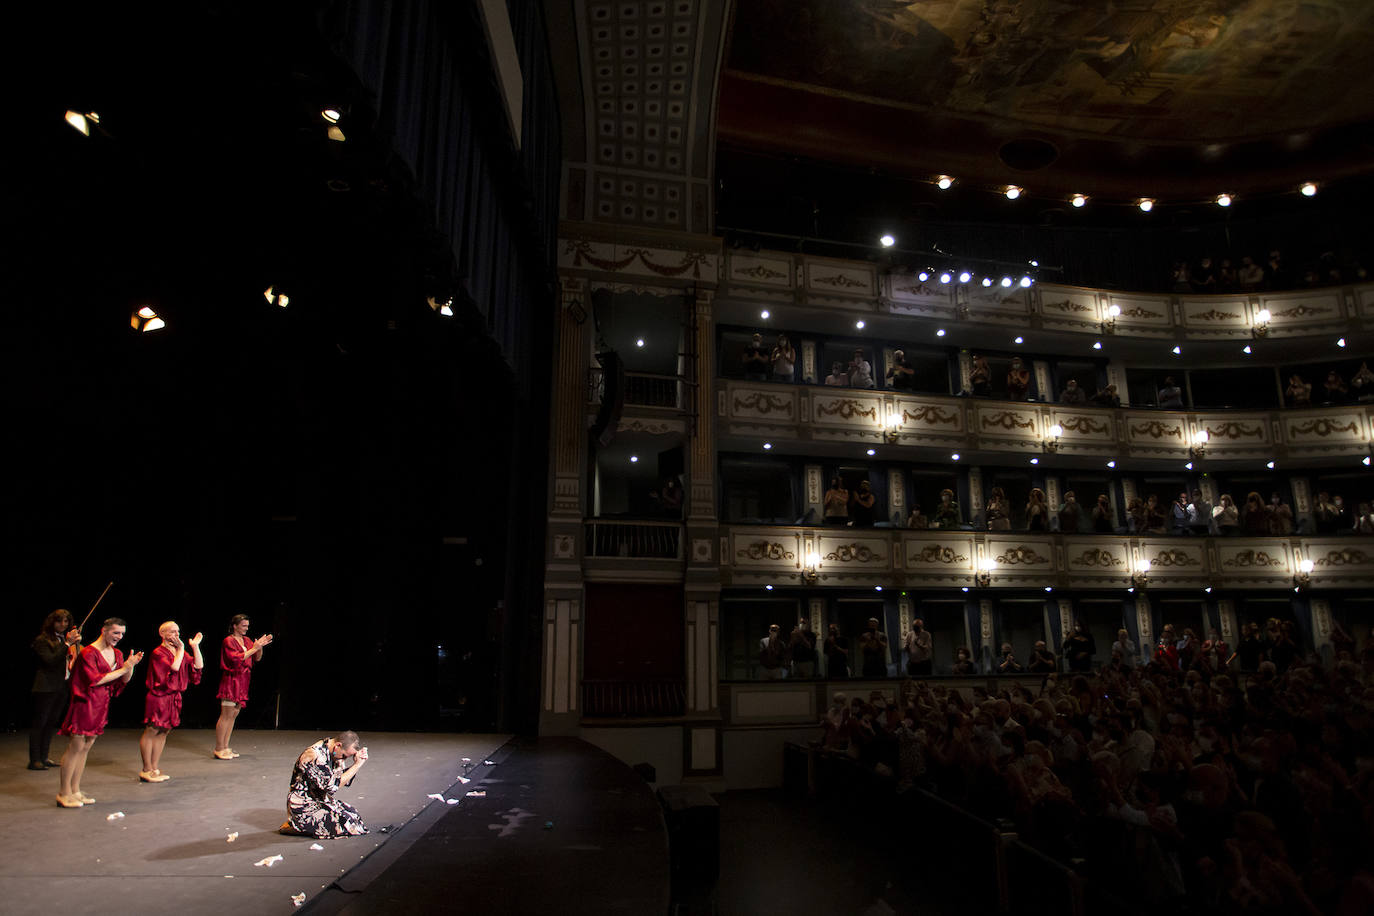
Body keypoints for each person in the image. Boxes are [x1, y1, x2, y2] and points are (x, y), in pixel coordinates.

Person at [56, 617, 144, 808]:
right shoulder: (89, 653)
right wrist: (125, 668)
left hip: (101, 704)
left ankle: (75, 789)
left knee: (86, 748)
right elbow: (94, 680)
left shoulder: (117, 653)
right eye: (115, 633)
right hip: (85, 703)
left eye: (121, 634)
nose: (119, 637)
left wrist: (130, 666)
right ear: (104, 631)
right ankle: (64, 792)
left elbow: (124, 679)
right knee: (76, 747)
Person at [139, 621, 204, 782]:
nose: (177, 635)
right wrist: (181, 649)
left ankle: (154, 767)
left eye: (178, 631)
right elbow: (173, 668)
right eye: (172, 632)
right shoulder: (158, 652)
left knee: (164, 731)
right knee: (153, 730)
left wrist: (195, 647)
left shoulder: (178, 651)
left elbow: (198, 665)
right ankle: (146, 768)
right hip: (159, 696)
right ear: (163, 634)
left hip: (173, 697)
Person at [280, 731, 369, 838]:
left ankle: (303, 826)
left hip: (319, 800)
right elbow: (332, 787)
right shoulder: (314, 755)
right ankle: (298, 826)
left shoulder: (335, 753)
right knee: (344, 824)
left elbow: (343, 779)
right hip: (304, 804)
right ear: (338, 745)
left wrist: (358, 761)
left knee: (354, 815)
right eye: (344, 756)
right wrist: (357, 765)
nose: (344, 759)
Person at [214, 614, 274, 760]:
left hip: (243, 680)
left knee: (234, 714)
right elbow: (236, 659)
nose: (246, 628)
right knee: (226, 714)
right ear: (235, 626)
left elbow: (256, 658)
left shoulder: (246, 640)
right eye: (243, 625)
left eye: (247, 625)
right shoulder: (229, 640)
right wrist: (254, 648)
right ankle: (219, 747)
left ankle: (226, 746)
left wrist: (259, 647)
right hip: (231, 680)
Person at [30, 609, 79, 771]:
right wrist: (67, 644)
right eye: (59, 621)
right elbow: (50, 660)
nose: (63, 625)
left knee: (50, 724)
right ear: (52, 622)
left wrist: (74, 643)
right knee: (40, 724)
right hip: (45, 687)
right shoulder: (42, 640)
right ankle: (35, 760)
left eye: (66, 622)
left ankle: (44, 757)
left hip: (61, 687)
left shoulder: (64, 640)